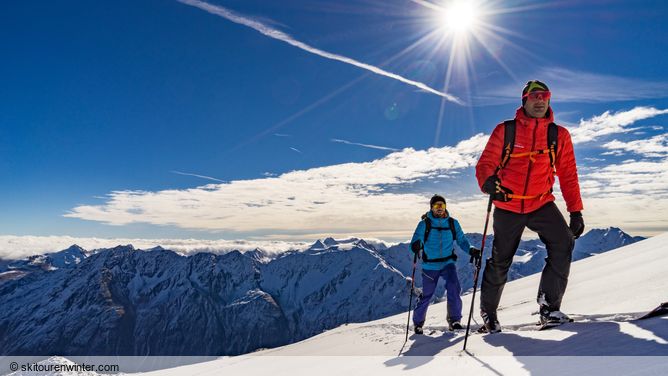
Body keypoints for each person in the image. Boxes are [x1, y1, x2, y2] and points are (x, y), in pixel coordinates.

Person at [475, 80, 585, 333]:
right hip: (508, 204)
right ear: (524, 100)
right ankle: (489, 315)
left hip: (541, 202)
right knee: (501, 260)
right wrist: (488, 182)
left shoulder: (559, 135)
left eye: (544, 96)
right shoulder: (506, 130)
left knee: (564, 242)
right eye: (534, 96)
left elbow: (568, 175)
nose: (540, 100)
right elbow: (486, 164)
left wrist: (575, 211)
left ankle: (549, 308)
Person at [410, 194, 481, 333]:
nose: (440, 208)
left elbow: (462, 240)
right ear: (431, 207)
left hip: (448, 263)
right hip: (430, 265)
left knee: (454, 288)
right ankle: (418, 323)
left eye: (442, 205)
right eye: (437, 206)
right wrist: (416, 245)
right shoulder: (424, 224)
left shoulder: (453, 223)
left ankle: (454, 321)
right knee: (427, 295)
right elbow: (415, 240)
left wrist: (471, 249)